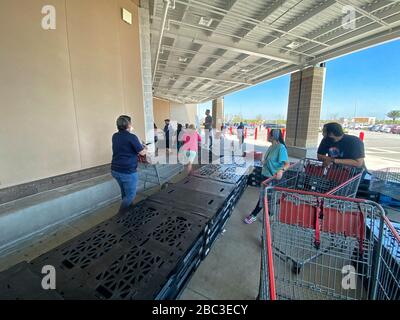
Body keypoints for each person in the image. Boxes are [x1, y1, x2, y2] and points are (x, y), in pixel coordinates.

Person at [244, 129, 290, 224]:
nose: (268, 136)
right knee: (267, 197)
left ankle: (254, 214)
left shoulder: (281, 148)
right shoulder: (271, 146)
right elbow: (269, 160)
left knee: (264, 197)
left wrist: (281, 170)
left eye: (269, 135)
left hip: (273, 177)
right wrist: (263, 162)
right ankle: (270, 214)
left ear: (274, 136)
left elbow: (287, 164)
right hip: (265, 175)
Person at [111, 115, 147, 214]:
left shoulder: (115, 136)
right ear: (128, 125)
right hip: (127, 172)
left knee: (124, 193)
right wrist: (145, 148)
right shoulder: (132, 137)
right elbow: (142, 152)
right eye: (130, 123)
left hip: (115, 170)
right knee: (131, 195)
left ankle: (128, 211)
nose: (132, 125)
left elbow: (125, 148)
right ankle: (121, 214)